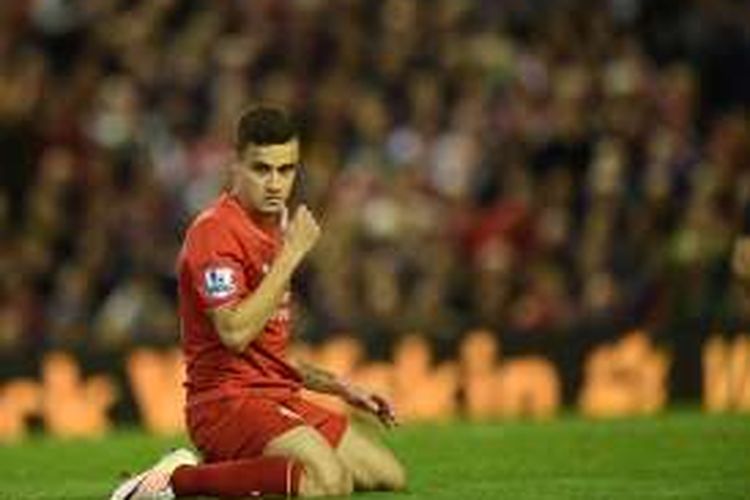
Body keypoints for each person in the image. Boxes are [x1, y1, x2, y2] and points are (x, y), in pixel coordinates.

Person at [111, 106, 407, 499]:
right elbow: (233, 332)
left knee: (388, 476)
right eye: (261, 169)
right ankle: (172, 481)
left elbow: (267, 352)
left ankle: (231, 475)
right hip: (225, 404)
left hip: (276, 395)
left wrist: (339, 387)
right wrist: (292, 255)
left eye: (286, 170)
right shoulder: (215, 231)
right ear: (236, 166)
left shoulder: (275, 228)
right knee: (330, 483)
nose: (275, 183)